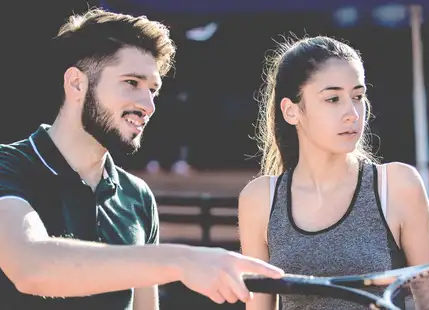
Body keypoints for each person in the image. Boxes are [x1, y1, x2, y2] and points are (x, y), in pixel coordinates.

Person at [0, 8, 283, 310]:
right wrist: (183, 259)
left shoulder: (137, 197)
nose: (148, 105)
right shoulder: (10, 166)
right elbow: (31, 268)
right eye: (132, 83)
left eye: (153, 90)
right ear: (76, 84)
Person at [238, 35, 429, 309]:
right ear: (291, 111)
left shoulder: (397, 185)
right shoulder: (259, 199)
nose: (352, 113)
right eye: (333, 99)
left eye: (358, 97)